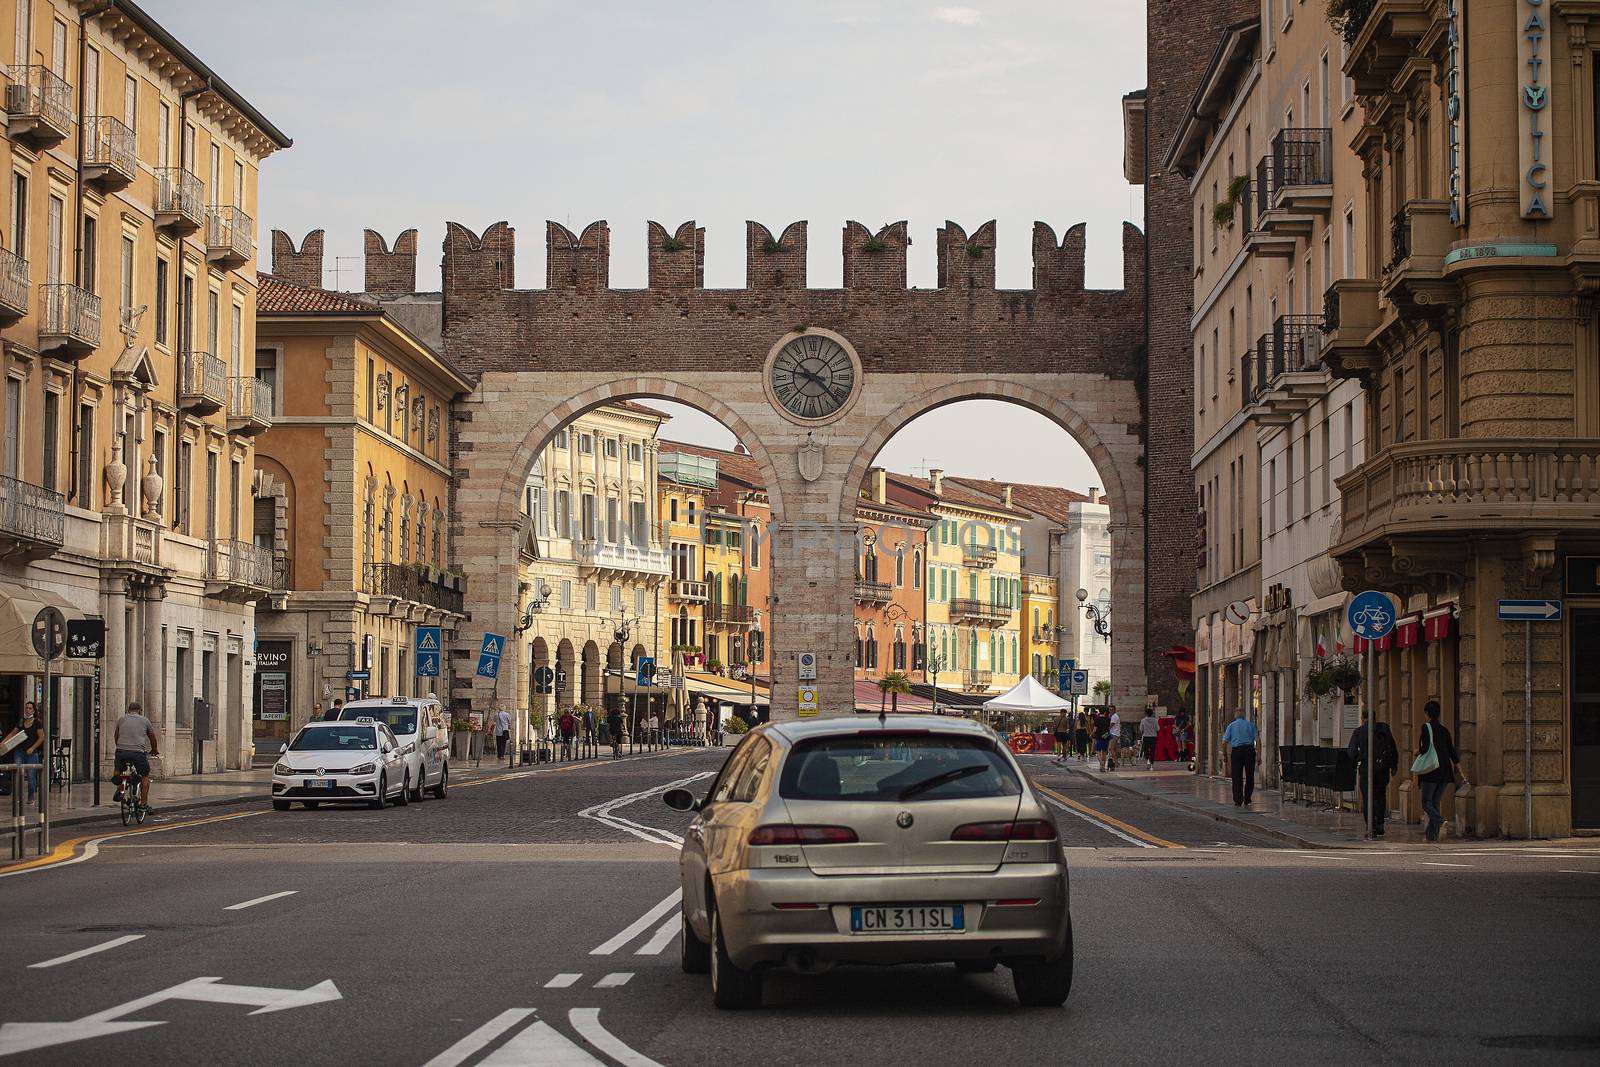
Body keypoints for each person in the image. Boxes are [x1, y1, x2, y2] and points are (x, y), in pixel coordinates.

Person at [1415, 700, 1464, 842]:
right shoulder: (1445, 730)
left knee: (1426, 803)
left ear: (1427, 713)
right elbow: (1452, 753)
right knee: (1434, 804)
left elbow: (1424, 749)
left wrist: (1416, 751)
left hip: (1431, 771)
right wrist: (1461, 773)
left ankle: (1441, 820)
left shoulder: (1426, 727)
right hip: (1445, 772)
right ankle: (1431, 836)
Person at [1346, 709, 1399, 839]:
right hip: (1382, 768)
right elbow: (1393, 748)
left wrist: (1360, 758)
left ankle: (1371, 826)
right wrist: (1393, 765)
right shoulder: (1384, 729)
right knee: (1380, 795)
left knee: (1368, 797)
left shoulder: (1358, 732)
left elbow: (1351, 753)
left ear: (1363, 718)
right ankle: (1380, 823)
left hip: (1366, 769)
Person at [113, 701, 161, 813]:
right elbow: (152, 737)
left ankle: (120, 788)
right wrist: (154, 750)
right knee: (145, 776)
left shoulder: (121, 719)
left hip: (121, 751)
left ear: (128, 710)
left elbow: (116, 735)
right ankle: (143, 804)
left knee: (118, 770)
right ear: (139, 710)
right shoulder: (145, 720)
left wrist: (120, 747)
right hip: (137, 753)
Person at [2, 701, 45, 803]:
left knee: (31, 776)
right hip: (20, 751)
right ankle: (18, 797)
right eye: (26, 708)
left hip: (31, 753)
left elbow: (41, 737)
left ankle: (31, 797)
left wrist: (33, 748)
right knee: (17, 773)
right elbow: (13, 733)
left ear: (34, 710)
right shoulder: (21, 721)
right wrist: (3, 742)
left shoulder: (37, 723)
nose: (28, 710)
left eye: (30, 708)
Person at [1222, 709, 1260, 807]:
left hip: (1237, 751)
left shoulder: (1231, 726)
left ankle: (1238, 800)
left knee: (1236, 776)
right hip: (1249, 751)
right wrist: (1259, 755)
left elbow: (1224, 742)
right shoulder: (1250, 724)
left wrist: (1225, 755)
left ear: (1235, 716)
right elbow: (1258, 740)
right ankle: (1247, 799)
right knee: (1249, 776)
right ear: (1244, 715)